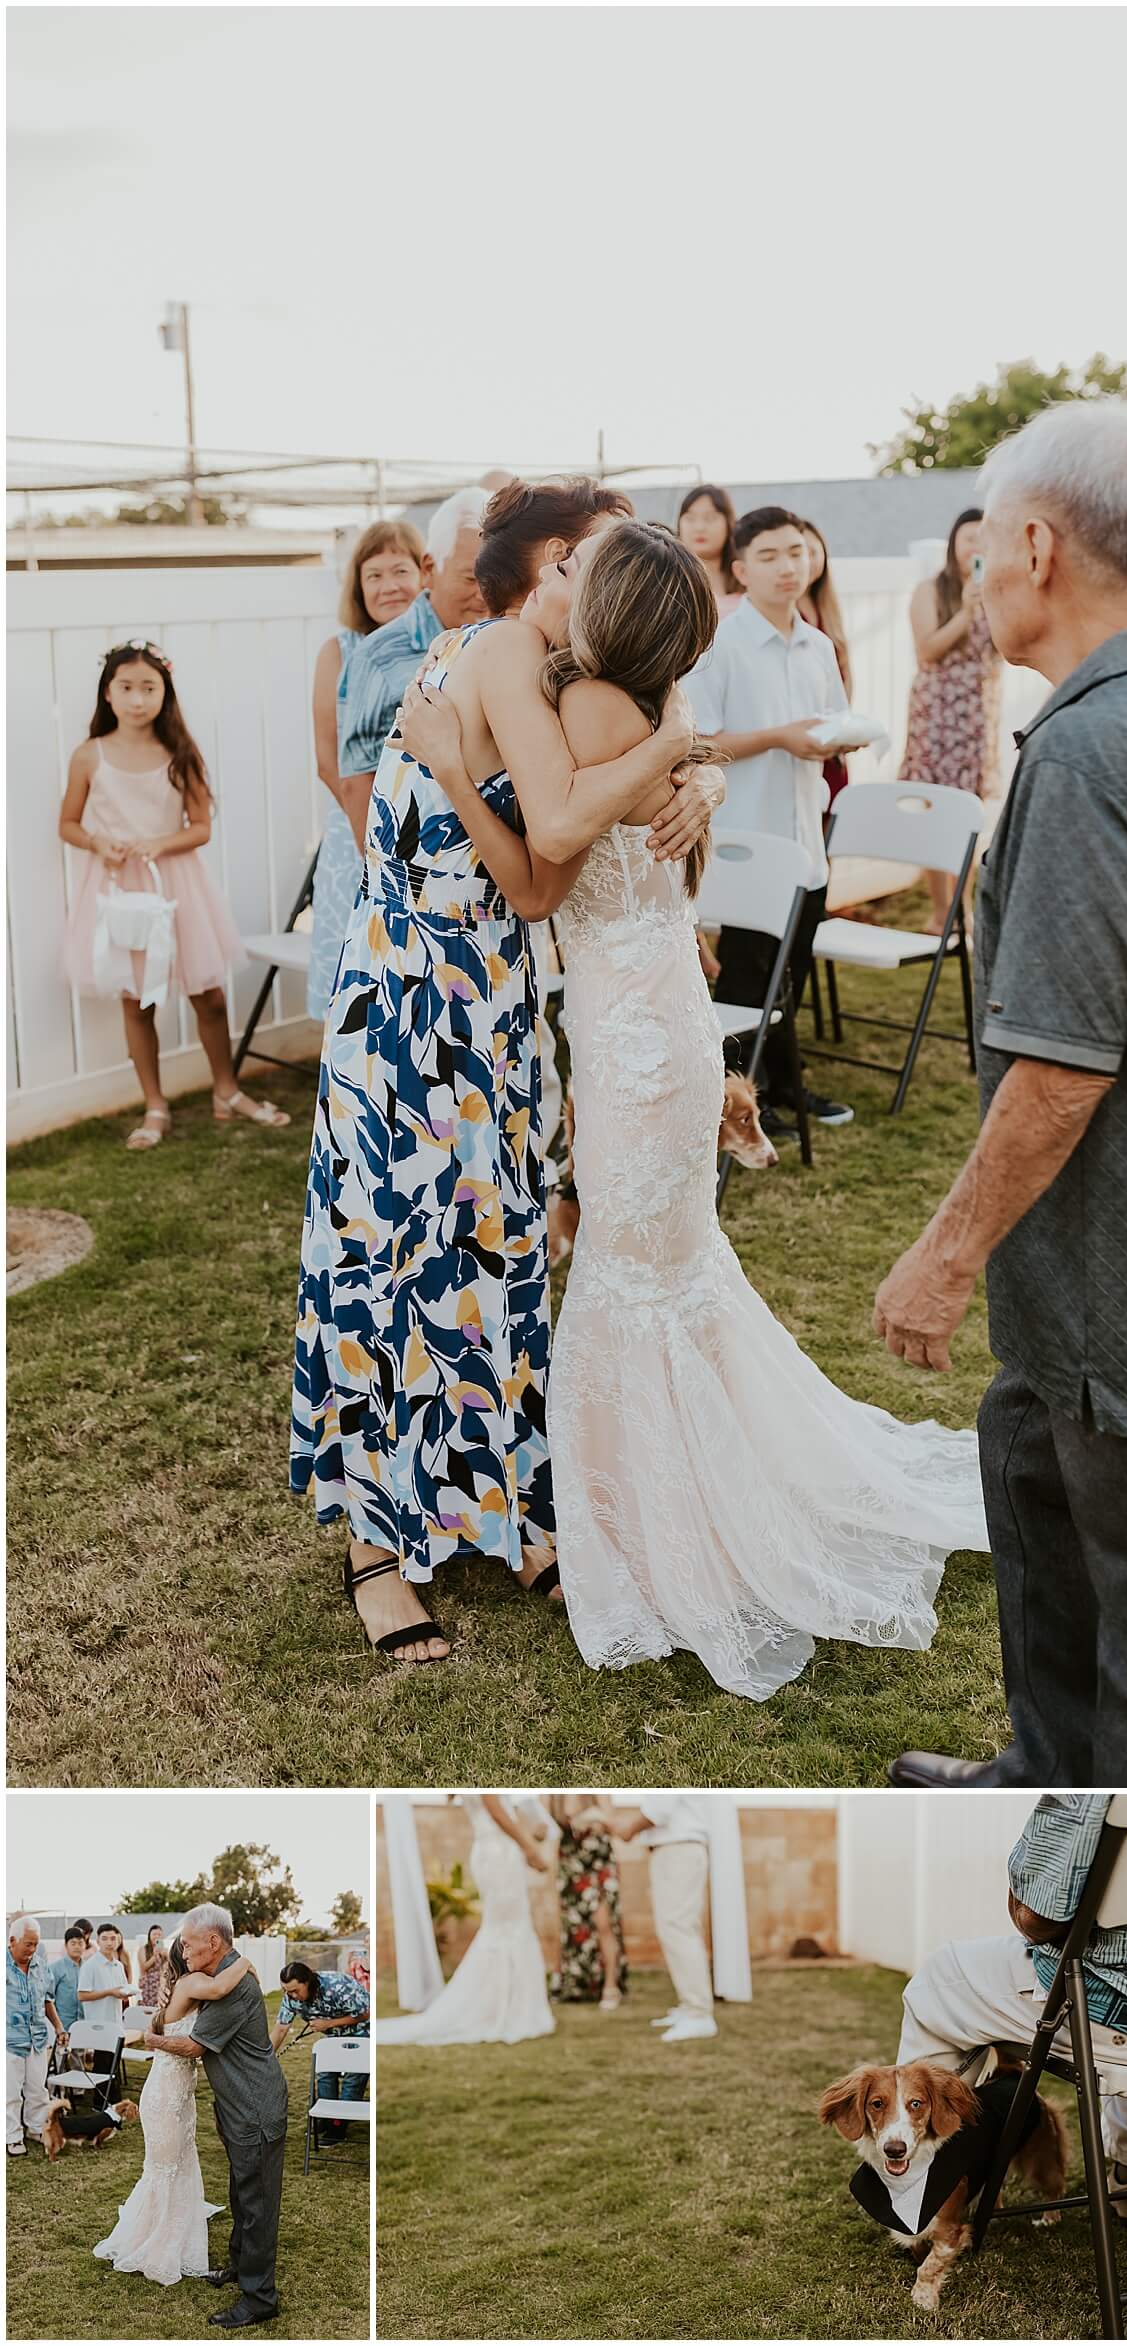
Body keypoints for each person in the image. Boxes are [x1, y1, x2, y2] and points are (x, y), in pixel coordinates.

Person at [405, 522, 989, 1702]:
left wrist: (455, 770)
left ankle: (664, 1532)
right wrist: (695, 746)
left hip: (635, 1037)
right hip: (648, 1016)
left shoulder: (591, 712)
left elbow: (538, 872)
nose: (561, 584)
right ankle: (671, 1498)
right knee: (658, 1271)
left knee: (632, 1277)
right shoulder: (645, 707)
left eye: (584, 572)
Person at [291, 479, 715, 1667]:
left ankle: (508, 1512)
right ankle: (377, 1549)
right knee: (396, 1260)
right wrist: (680, 748)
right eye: (598, 557)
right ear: (555, 566)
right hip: (421, 1012)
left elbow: (588, 791)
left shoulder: (530, 671)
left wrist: (690, 772)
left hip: (489, 1009)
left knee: (500, 1250)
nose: (611, 578)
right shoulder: (493, 653)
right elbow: (542, 870)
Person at [878, 398, 1127, 1790]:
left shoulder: (1088, 748)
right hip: (1105, 1279)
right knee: (1033, 1491)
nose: (979, 577)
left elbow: (1064, 1063)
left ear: (1039, 545)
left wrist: (943, 1259)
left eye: (990, 549)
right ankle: (1039, 1767)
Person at [898, 1795, 1127, 2220]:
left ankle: (925, 2195)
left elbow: (1037, 1915)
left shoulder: (1104, 1770)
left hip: (1120, 2009)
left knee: (940, 1981)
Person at [60, 640, 290, 1150]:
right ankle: (155, 1104)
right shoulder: (88, 756)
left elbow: (201, 826)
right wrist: (100, 842)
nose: (138, 699)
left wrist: (158, 843)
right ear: (108, 693)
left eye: (149, 688)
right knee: (136, 999)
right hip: (121, 891)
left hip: (178, 886)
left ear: (165, 694)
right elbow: (69, 824)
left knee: (207, 994)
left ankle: (226, 1090)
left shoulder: (179, 753)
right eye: (126, 688)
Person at [685, 506, 870, 1128]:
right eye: (768, 556)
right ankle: (744, 1100)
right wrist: (780, 738)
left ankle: (786, 1088)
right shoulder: (717, 645)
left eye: (796, 552)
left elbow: (832, 724)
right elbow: (699, 744)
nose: (788, 566)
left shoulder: (818, 645)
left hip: (804, 834)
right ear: (739, 570)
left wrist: (838, 740)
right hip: (745, 838)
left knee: (794, 965)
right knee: (749, 973)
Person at [141, 1903, 289, 2331]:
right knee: (243, 2191)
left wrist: (153, 2040)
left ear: (214, 1942)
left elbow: (194, 2047)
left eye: (188, 1944)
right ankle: (241, 2267)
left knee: (258, 2203)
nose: (183, 1950)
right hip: (237, 2104)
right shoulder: (221, 1977)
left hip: (255, 2107)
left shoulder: (236, 1987)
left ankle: (260, 2298)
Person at [308, 519, 425, 1022]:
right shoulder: (341, 652)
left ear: (425, 574)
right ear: (357, 586)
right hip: (356, 833)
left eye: (399, 570)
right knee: (358, 986)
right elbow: (327, 760)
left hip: (435, 835)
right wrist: (376, 829)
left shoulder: (442, 643)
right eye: (373, 575)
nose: (387, 586)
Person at [336, 487, 491, 849]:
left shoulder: (509, 637)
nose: (485, 592)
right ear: (428, 568)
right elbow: (357, 778)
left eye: (494, 576)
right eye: (470, 579)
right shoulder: (377, 654)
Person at [94, 1934, 251, 2289]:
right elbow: (224, 1985)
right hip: (165, 2095)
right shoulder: (191, 1982)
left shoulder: (179, 1988)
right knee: (164, 2169)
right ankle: (152, 2242)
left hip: (179, 2093)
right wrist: (245, 1960)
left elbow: (153, 2032)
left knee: (180, 2165)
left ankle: (176, 2233)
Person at [898, 507, 1002, 933]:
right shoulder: (930, 591)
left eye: (984, 538)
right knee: (933, 807)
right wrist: (964, 612)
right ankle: (940, 910)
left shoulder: (999, 592)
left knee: (968, 812)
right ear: (954, 544)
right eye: (967, 538)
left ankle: (963, 908)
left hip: (979, 712)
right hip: (938, 712)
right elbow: (928, 651)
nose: (975, 546)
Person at [380, 1795, 555, 2046]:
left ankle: (508, 2006)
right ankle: (502, 2010)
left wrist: (527, 1837)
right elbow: (497, 1812)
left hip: (496, 1849)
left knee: (509, 1928)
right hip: (498, 1852)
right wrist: (530, 1848)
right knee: (507, 1930)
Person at [606, 1799, 717, 2042]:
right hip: (673, 1849)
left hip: (679, 1848)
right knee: (674, 1928)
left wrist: (629, 1828)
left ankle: (699, 2014)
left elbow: (662, 1804)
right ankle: (690, 2007)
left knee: (678, 1928)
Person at [795, 517, 854, 822]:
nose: (805, 560)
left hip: (832, 745)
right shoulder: (787, 616)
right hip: (800, 744)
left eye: (812, 551)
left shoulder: (828, 611)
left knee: (830, 830)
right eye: (797, 552)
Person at [271, 1961, 369, 2139]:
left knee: (352, 2078)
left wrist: (329, 2023)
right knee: (325, 2074)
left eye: (295, 1990)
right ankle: (327, 2116)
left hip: (361, 2032)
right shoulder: (290, 1998)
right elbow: (280, 2028)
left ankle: (339, 2123)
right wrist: (266, 2058)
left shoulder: (338, 1985)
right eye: (287, 1990)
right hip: (333, 2037)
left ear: (307, 1982)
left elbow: (366, 2013)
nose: (291, 1995)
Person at [548, 1797, 627, 2009]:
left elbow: (613, 1824)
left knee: (603, 1923)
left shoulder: (595, 1791)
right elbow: (545, 1826)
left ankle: (611, 1985)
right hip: (571, 1859)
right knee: (570, 1924)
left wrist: (594, 1816)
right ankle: (570, 1983)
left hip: (598, 1859)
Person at [7, 1917, 67, 2155]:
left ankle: (34, 2127)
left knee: (37, 2089)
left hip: (38, 2038)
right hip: (10, 2040)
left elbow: (47, 2000)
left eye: (36, 1945)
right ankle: (12, 2136)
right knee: (10, 2092)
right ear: (13, 1940)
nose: (32, 1950)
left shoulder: (41, 1965)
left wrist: (60, 2028)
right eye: (28, 1944)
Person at [79, 1921, 136, 2105]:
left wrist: (128, 1991)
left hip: (115, 2022)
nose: (109, 1942)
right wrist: (110, 1992)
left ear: (118, 1940)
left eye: (113, 1938)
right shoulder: (90, 1966)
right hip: (98, 2024)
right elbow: (82, 1995)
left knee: (113, 2064)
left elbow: (122, 1988)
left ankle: (113, 2104)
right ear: (98, 1940)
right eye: (105, 1938)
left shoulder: (118, 1965)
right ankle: (102, 2104)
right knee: (103, 2066)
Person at [677, 482, 743, 615]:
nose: (699, 527)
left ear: (729, 523)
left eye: (710, 518)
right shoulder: (670, 579)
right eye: (690, 518)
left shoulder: (747, 577)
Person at [49, 1924, 87, 2033]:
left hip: (84, 2023)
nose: (77, 1947)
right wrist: (56, 2025)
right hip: (63, 2025)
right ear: (66, 1946)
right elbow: (48, 1999)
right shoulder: (55, 1968)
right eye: (73, 1943)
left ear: (85, 1945)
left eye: (80, 1943)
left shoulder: (89, 1968)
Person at [137, 1923, 166, 2017]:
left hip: (160, 1984)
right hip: (147, 1984)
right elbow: (143, 1968)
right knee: (147, 2012)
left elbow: (169, 1967)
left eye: (159, 1934)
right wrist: (154, 1956)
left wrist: (165, 1955)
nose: (156, 1936)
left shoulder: (164, 1950)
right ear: (149, 1935)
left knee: (159, 2010)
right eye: (154, 1934)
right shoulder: (143, 1949)